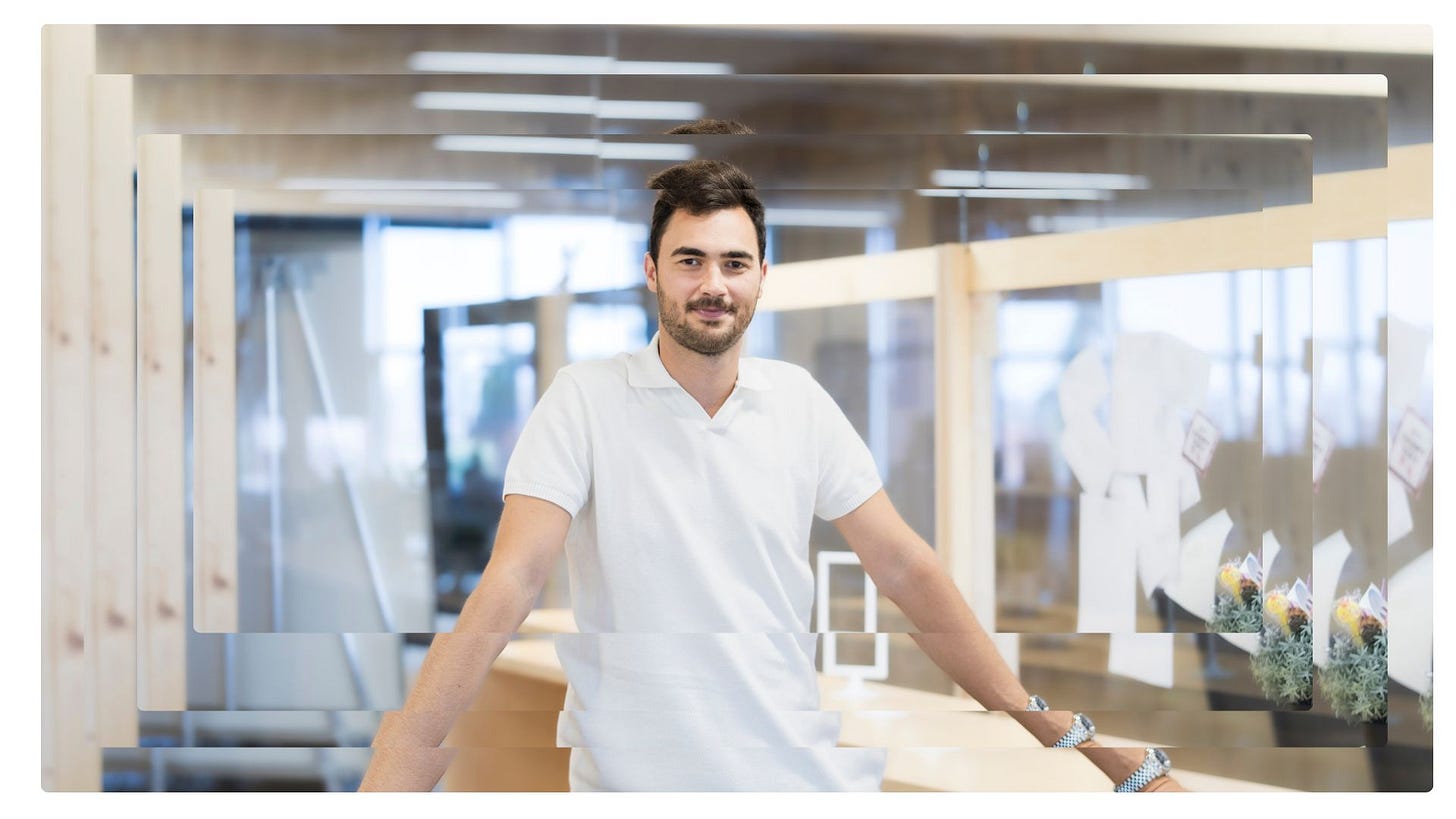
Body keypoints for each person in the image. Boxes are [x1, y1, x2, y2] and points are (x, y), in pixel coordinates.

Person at [359, 120, 1185, 793]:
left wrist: (1053, 724)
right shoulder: (584, 399)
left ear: (762, 276)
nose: (712, 283)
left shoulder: (798, 402)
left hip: (793, 782)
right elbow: (509, 584)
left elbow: (906, 570)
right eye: (689, 260)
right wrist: (401, 757)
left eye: (734, 262)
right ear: (652, 272)